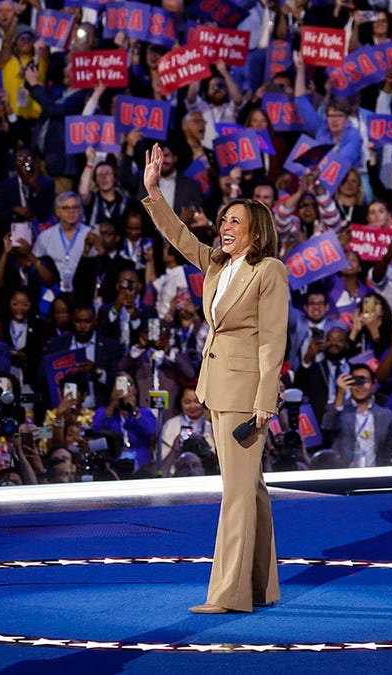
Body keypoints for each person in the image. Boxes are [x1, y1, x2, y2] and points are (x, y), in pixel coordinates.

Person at [141, 143, 288, 615]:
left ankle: (228, 594)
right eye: (223, 221)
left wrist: (266, 398)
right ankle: (263, 585)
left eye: (234, 223)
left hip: (247, 394)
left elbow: (272, 340)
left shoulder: (270, 271)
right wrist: (154, 192)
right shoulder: (218, 266)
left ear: (255, 232)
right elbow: (180, 237)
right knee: (251, 488)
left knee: (237, 494)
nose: (225, 228)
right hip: (217, 387)